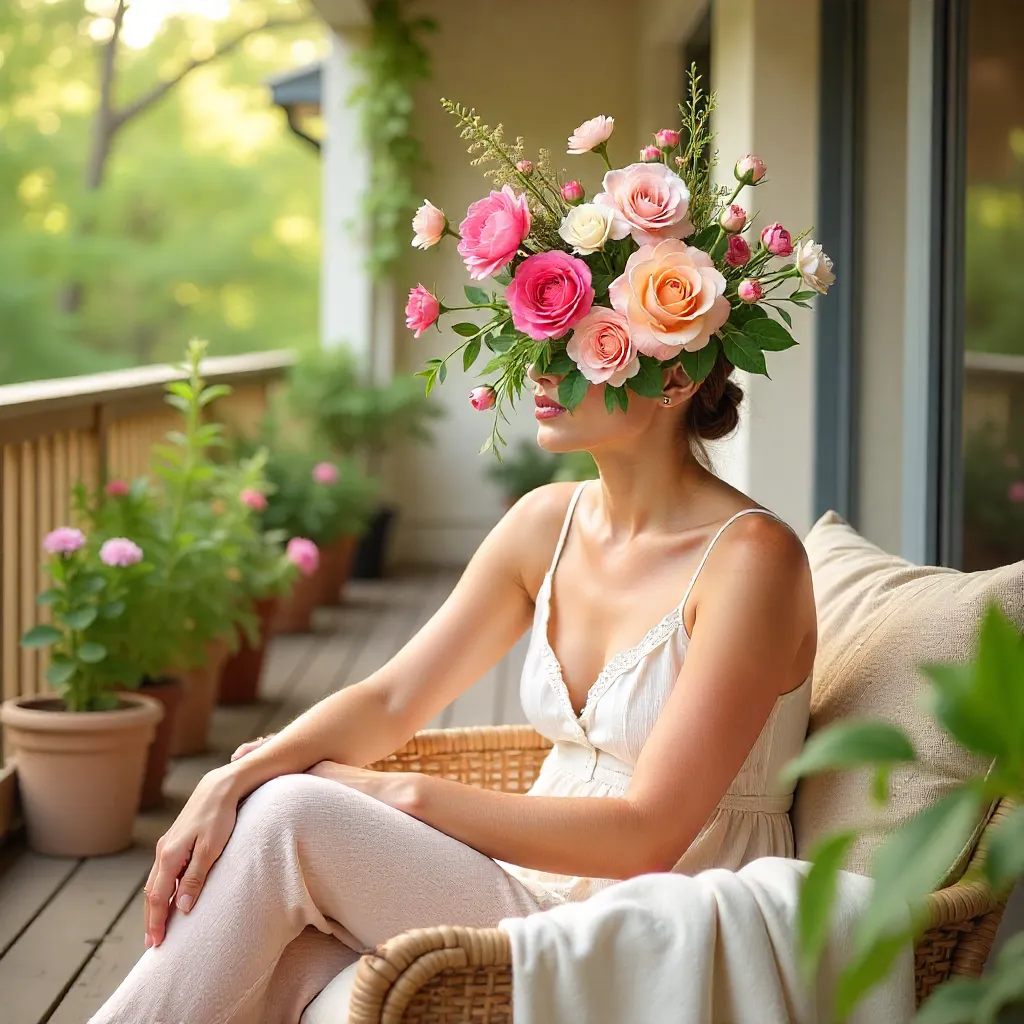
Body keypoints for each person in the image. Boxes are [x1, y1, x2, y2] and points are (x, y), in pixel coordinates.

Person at [92, 355, 816, 1024]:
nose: (538, 368)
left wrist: (391, 793)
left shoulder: (752, 560)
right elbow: (390, 700)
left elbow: (646, 836)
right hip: (521, 884)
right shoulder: (547, 522)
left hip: (654, 917)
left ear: (677, 377)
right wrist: (234, 775)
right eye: (538, 337)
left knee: (289, 813)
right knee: (267, 956)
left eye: (578, 344)